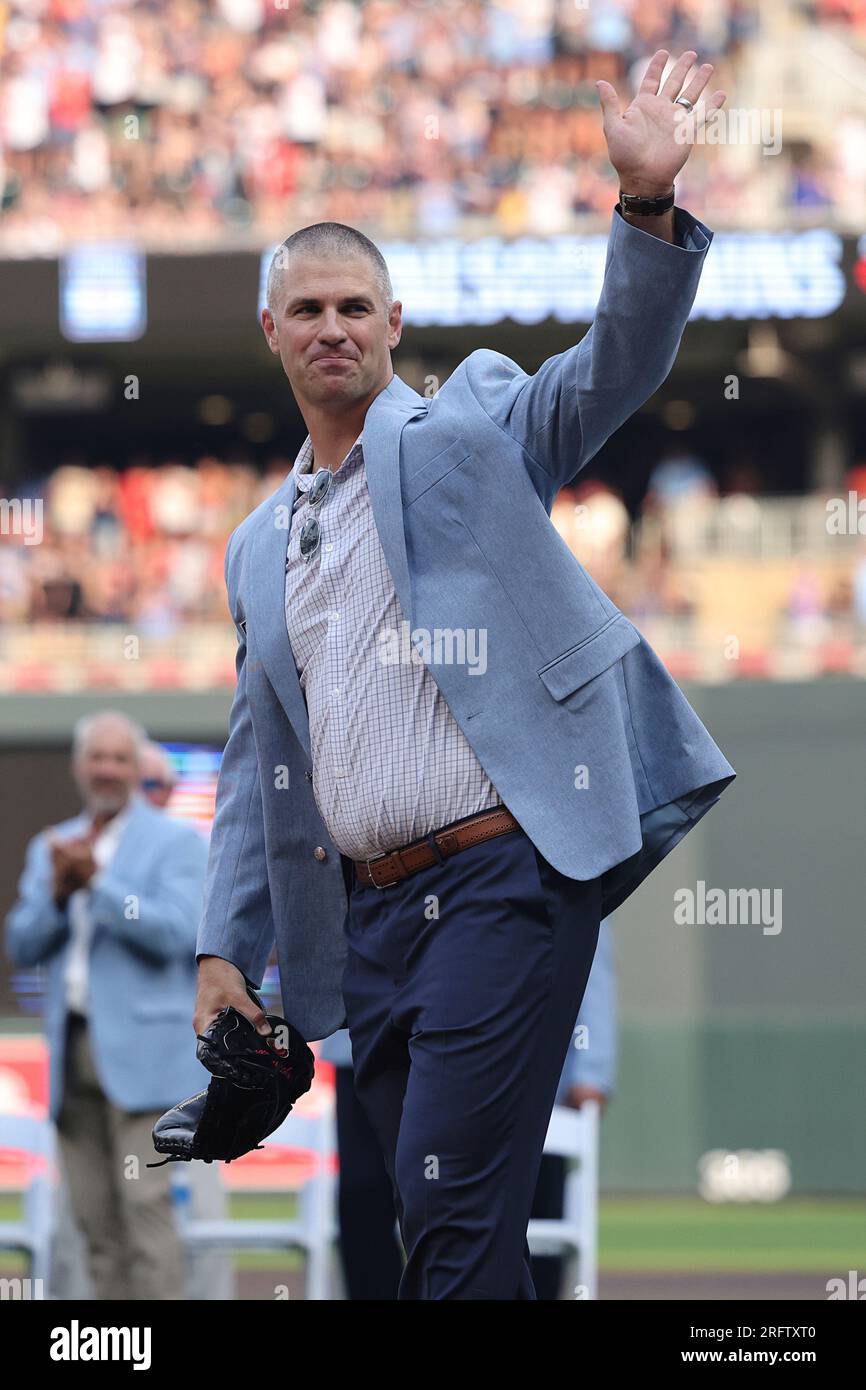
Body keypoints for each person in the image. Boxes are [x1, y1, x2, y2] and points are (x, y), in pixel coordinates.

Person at [195, 50, 736, 1300]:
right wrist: (227, 949)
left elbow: (610, 369)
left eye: (354, 307)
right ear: (270, 331)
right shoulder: (253, 548)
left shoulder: (472, 426)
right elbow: (252, 763)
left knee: (444, 1220)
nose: (332, 326)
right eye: (307, 308)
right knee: (434, 1230)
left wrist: (644, 207)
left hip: (500, 879)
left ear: (393, 326)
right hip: (369, 922)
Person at [5, 711, 209, 1300]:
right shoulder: (55, 845)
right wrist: (57, 893)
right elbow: (21, 943)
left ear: (135, 770)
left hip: (146, 1059)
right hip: (72, 1051)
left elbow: (179, 934)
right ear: (79, 766)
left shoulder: (176, 841)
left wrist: (100, 885)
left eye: (119, 759)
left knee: (146, 1212)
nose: (107, 770)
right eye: (97, 758)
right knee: (94, 1222)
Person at [319, 915, 617, 1300]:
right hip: (369, 1037)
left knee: (515, 1203)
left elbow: (584, 933)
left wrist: (592, 1066)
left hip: (504, 1040)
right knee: (365, 1198)